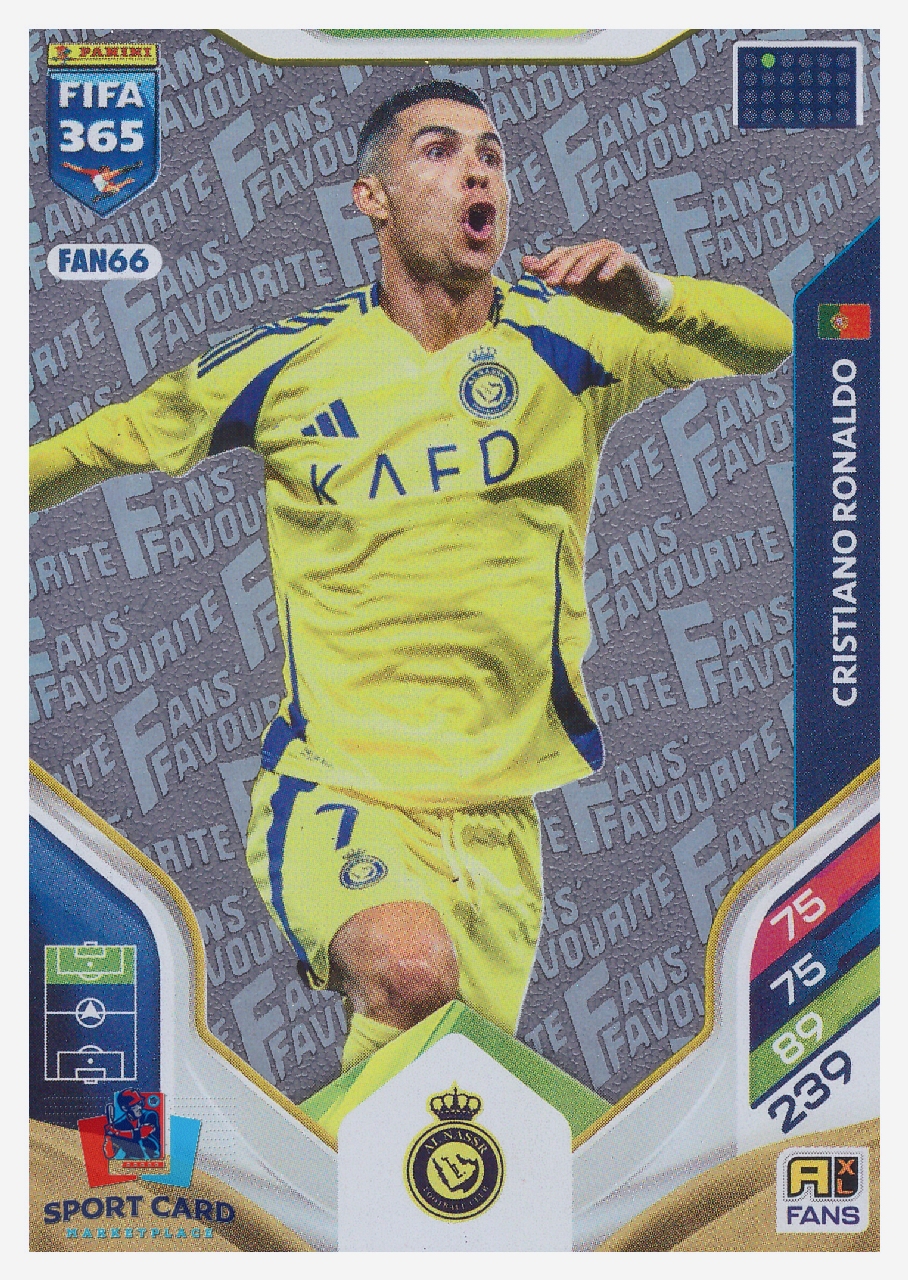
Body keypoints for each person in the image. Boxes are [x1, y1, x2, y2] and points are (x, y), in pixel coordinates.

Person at [30, 81, 792, 1073]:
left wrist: (652, 295)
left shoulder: (576, 337)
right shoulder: (289, 364)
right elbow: (103, 441)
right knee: (408, 967)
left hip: (499, 819)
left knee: (435, 1100)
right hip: (340, 786)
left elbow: (769, 340)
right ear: (372, 199)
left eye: (492, 155)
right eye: (439, 150)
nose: (478, 171)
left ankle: (313, 1170)